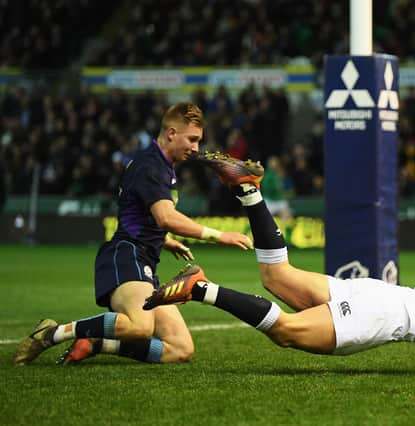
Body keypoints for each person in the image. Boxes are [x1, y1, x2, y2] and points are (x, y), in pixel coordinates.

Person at [143, 156, 415, 376]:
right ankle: (200, 289)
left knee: (276, 276)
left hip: (379, 293)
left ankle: (250, 193)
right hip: (383, 315)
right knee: (287, 333)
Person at [13, 102, 256, 366]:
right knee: (140, 327)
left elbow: (141, 213)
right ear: (172, 133)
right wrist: (220, 236)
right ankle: (51, 333)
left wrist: (163, 240)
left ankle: (98, 342)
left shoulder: (161, 166)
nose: (196, 148)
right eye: (193, 139)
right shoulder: (151, 166)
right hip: (126, 255)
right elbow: (166, 217)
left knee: (181, 349)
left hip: (144, 260)